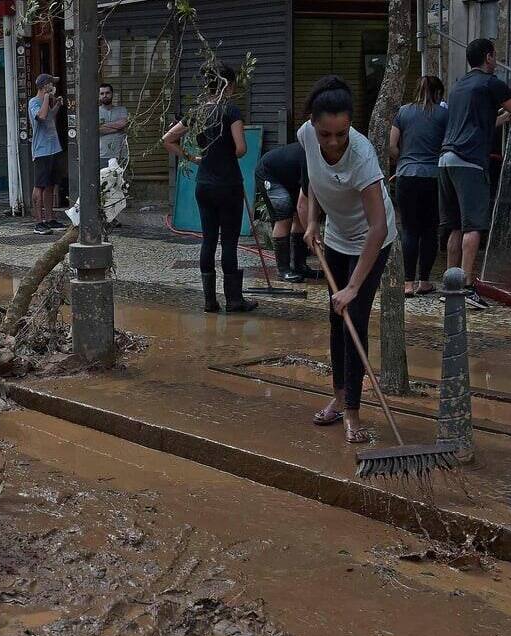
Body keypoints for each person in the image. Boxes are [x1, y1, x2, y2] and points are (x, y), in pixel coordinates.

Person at [298, 76, 398, 444]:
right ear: (313, 124)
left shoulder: (362, 156)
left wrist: (354, 286)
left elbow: (378, 226)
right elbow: (313, 178)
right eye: (326, 134)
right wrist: (311, 221)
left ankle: (354, 413)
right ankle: (339, 398)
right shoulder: (306, 136)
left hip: (372, 242)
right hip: (337, 238)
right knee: (335, 318)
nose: (333, 142)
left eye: (341, 133)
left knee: (353, 316)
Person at [439, 38, 511, 309]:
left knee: (455, 227)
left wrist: (501, 119)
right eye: (494, 55)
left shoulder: (459, 86)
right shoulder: (491, 83)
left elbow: (471, 124)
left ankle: (450, 287)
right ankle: (466, 288)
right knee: (473, 227)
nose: (496, 60)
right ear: (488, 57)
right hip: (470, 163)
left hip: (446, 160)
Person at [162, 64, 256, 313]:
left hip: (204, 184)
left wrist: (192, 158)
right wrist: (225, 153)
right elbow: (241, 148)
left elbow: (167, 139)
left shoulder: (198, 113)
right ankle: (234, 300)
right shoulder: (231, 110)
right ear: (229, 85)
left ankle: (209, 301)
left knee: (208, 240)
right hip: (228, 184)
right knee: (229, 243)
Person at [390, 75, 448, 296]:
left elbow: (391, 146)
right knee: (430, 231)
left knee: (410, 229)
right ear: (437, 93)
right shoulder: (444, 114)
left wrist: (403, 159)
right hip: (433, 177)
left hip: (406, 175)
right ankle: (424, 281)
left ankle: (407, 284)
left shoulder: (403, 112)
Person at [256, 142, 318, 282]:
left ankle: (299, 266)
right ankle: (283, 269)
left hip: (289, 177)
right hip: (269, 174)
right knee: (284, 217)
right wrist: (311, 232)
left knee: (297, 216)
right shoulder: (311, 159)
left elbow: (302, 205)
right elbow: (303, 206)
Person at [28, 73, 64, 236]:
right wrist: (47, 98)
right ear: (44, 87)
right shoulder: (34, 102)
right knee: (40, 185)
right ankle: (38, 222)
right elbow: (41, 117)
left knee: (50, 184)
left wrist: (56, 105)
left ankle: (50, 218)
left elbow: (49, 117)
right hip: (41, 150)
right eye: (50, 84)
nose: (53, 87)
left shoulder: (46, 102)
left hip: (54, 148)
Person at [98, 83, 129, 169]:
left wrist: (103, 126)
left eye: (107, 93)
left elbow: (123, 124)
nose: (105, 95)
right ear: (99, 96)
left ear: (112, 94)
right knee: (103, 181)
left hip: (120, 154)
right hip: (103, 155)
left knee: (122, 181)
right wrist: (117, 127)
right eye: (102, 93)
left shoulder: (122, 110)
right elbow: (97, 130)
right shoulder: (95, 112)